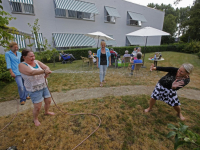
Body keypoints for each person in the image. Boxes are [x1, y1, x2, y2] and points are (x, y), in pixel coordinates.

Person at [19, 49, 55, 126]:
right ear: (24, 57)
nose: (33, 58)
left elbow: (46, 67)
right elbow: (32, 72)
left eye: (34, 55)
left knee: (48, 101)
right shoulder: (21, 65)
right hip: (34, 88)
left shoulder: (37, 62)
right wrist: (44, 71)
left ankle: (46, 112)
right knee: (37, 107)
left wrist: (47, 70)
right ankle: (35, 119)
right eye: (31, 56)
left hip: (44, 85)